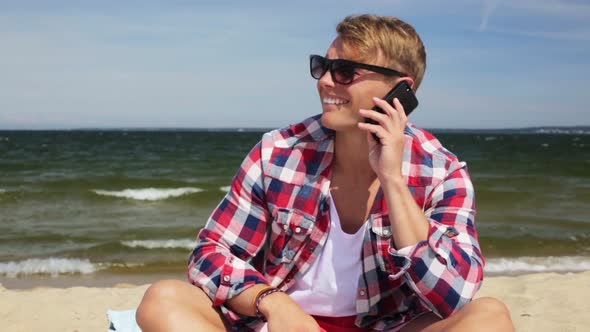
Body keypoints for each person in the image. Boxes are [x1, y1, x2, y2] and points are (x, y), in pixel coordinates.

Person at [136, 14, 514, 332]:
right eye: (324, 66)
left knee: (490, 318)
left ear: (402, 89)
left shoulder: (442, 170)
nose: (326, 81)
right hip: (281, 324)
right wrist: (272, 301)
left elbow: (451, 294)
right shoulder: (279, 151)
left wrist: (393, 181)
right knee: (163, 299)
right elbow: (211, 254)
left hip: (385, 326)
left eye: (346, 71)